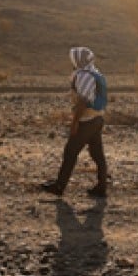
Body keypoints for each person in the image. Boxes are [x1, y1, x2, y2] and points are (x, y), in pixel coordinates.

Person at [40, 47, 109, 197]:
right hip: (97, 119)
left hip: (87, 120)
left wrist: (75, 122)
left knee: (70, 152)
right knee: (97, 154)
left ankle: (59, 187)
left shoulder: (83, 75)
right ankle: (102, 187)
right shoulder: (95, 73)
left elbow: (82, 101)